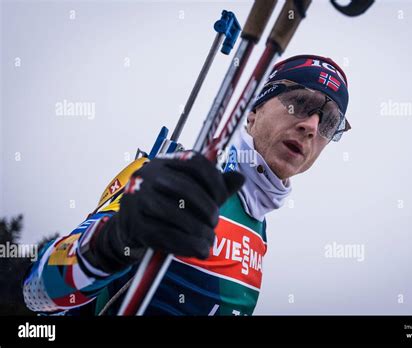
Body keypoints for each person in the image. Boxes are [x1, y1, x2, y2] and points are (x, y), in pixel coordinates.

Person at [22, 54, 350, 316]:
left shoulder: (259, 229)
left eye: (329, 122)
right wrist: (118, 238)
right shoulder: (167, 174)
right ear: (252, 113)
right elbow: (39, 293)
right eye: (300, 104)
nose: (311, 126)